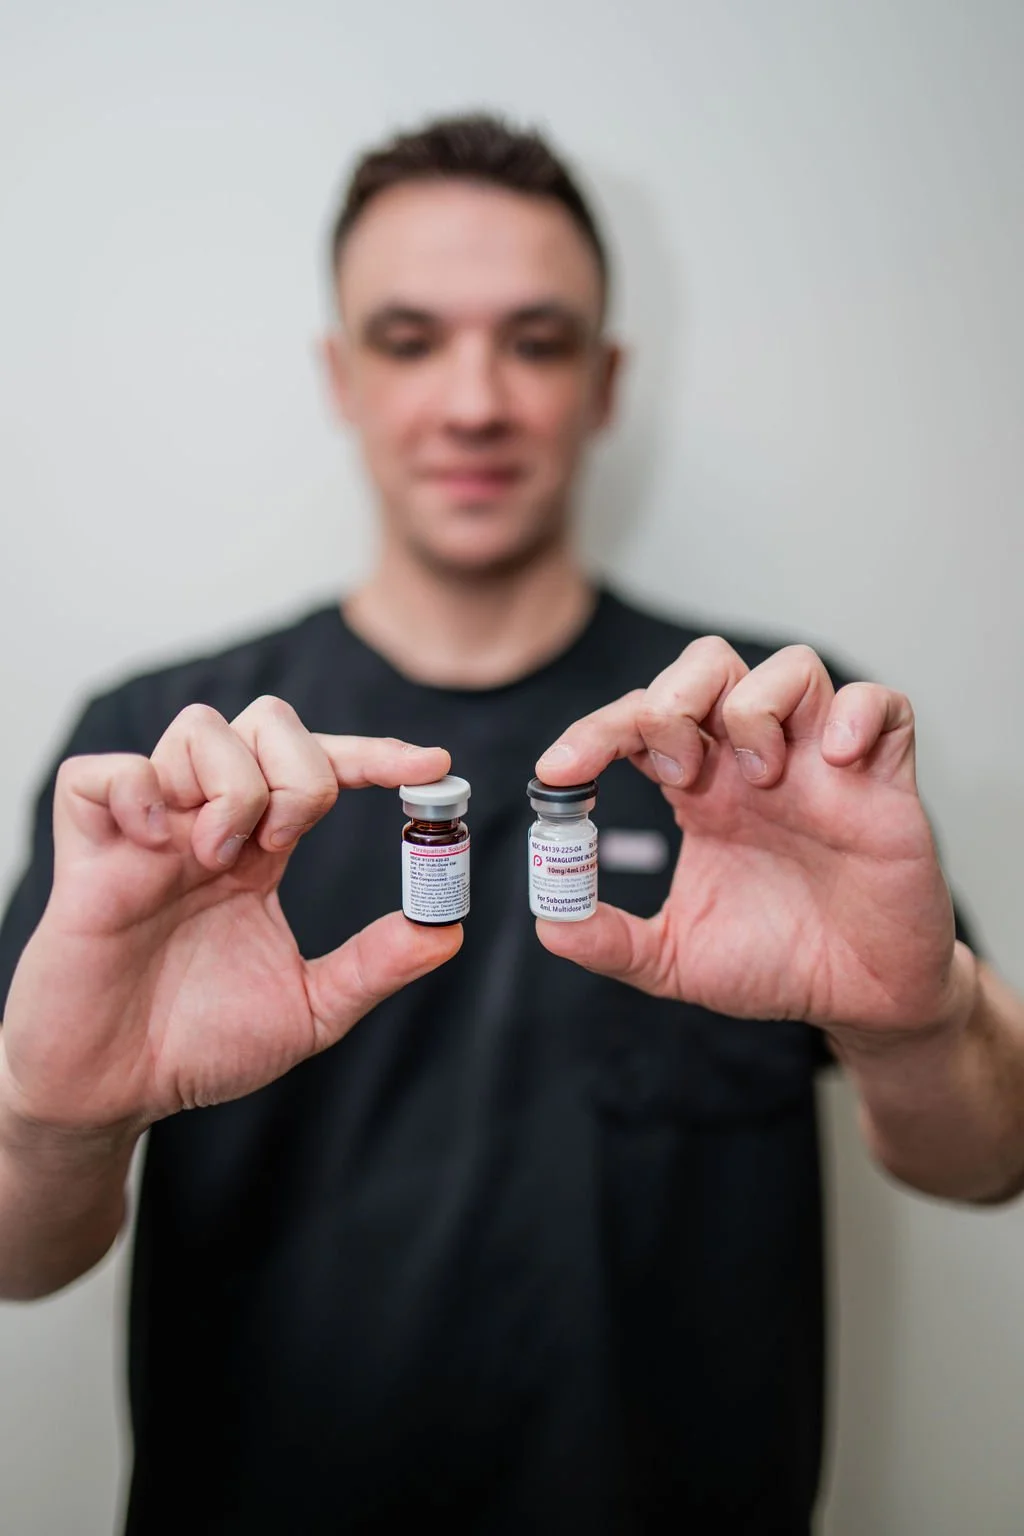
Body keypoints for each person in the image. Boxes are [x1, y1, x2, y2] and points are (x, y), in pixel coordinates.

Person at [0, 113, 1022, 1536]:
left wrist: (918, 1028)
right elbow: (14, 1259)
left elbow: (988, 1160)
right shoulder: (169, 764)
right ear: (340, 378)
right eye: (410, 338)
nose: (473, 400)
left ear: (605, 385)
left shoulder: (770, 743)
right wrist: (53, 1126)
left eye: (536, 341)